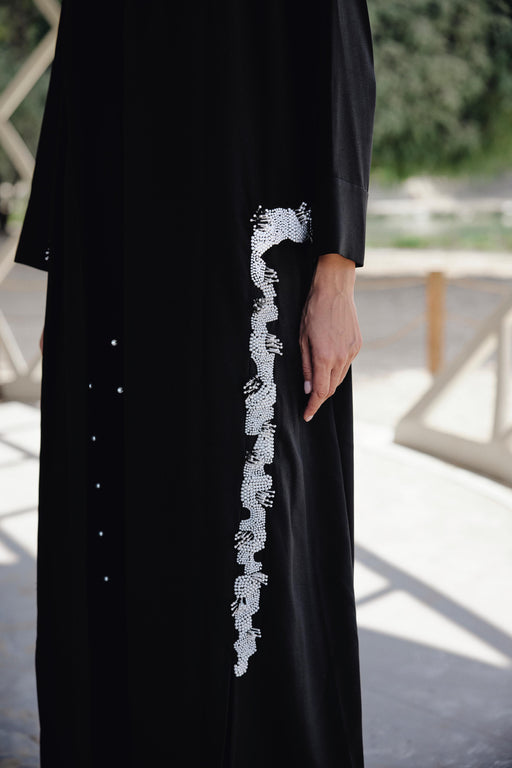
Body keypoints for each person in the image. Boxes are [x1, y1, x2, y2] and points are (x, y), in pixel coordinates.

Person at [14, 1, 376, 766]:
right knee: (117, 521)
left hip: (242, 260)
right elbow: (80, 69)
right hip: (109, 259)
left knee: (241, 532)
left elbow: (339, 52)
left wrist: (337, 271)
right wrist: (64, 275)